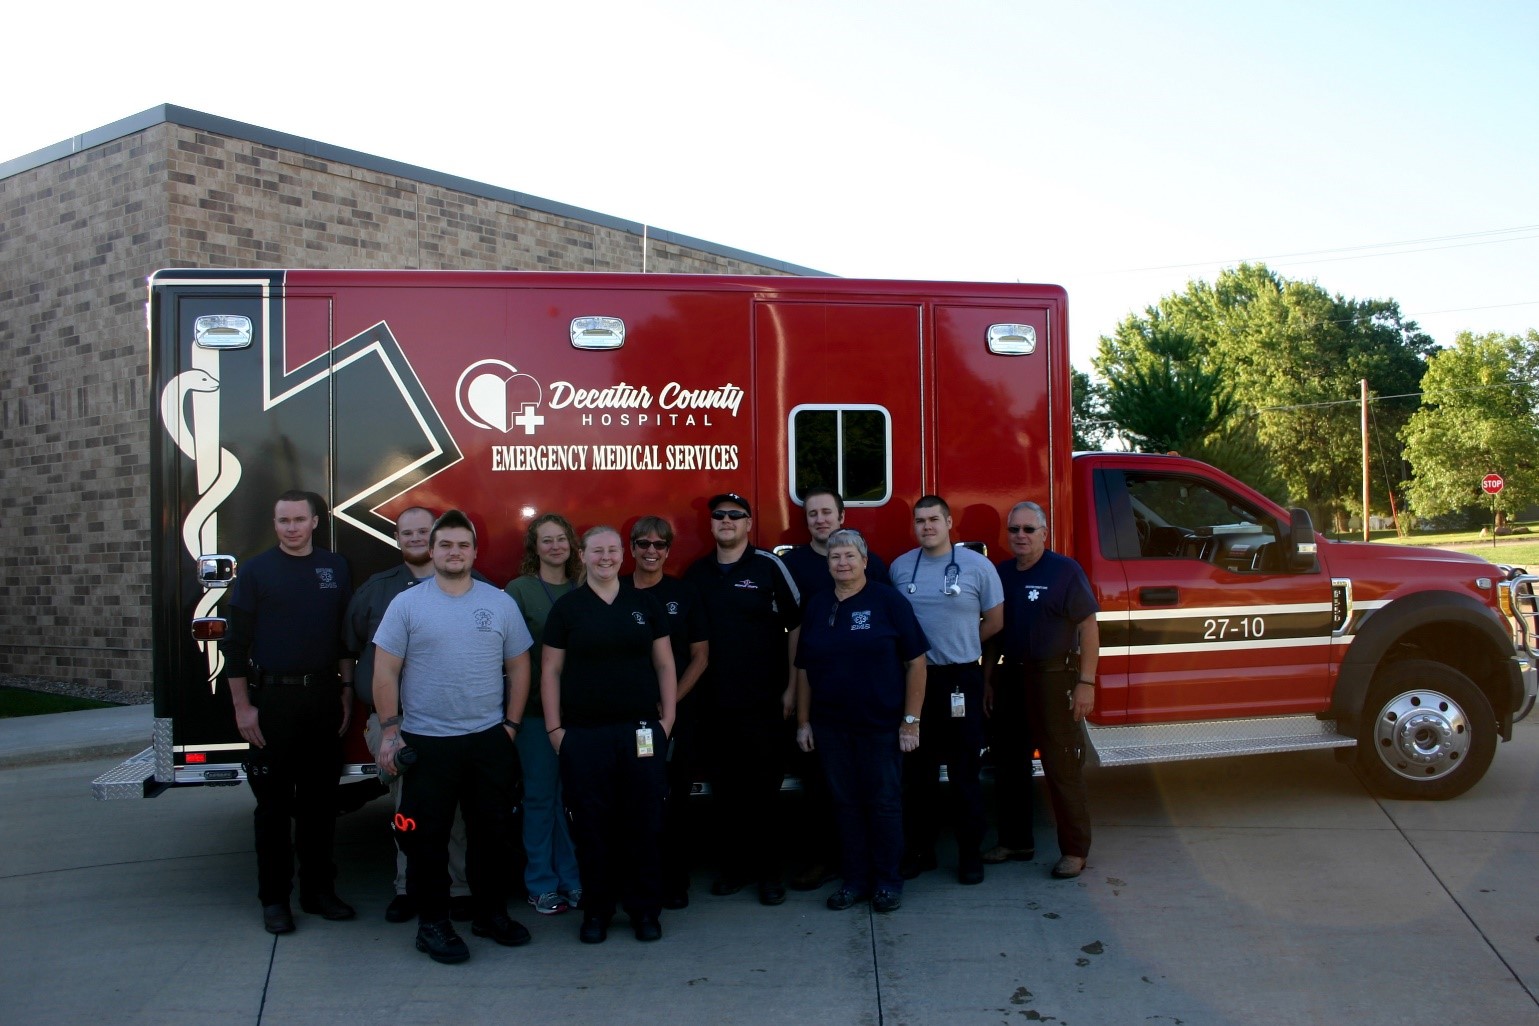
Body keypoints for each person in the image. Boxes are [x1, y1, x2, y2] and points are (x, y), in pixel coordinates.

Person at [371, 510, 535, 964]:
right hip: (426, 742)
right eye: (445, 545)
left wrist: (512, 724)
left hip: (488, 740)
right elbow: (386, 669)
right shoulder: (407, 604)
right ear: (432, 550)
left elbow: (521, 663)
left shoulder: (499, 602)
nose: (454, 552)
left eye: (463, 545)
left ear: (475, 552)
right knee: (427, 841)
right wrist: (390, 731)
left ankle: (489, 914)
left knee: (492, 835)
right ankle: (433, 925)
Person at [224, 489, 357, 935]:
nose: (292, 528)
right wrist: (244, 709)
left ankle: (319, 892)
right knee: (273, 809)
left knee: (320, 805)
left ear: (315, 521)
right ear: (275, 524)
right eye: (284, 521)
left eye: (300, 519)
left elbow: (342, 639)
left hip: (322, 698)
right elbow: (235, 646)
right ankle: (275, 900)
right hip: (273, 703)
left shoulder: (335, 568)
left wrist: (345, 689)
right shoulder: (257, 571)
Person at [542, 526, 678, 943]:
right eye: (597, 550)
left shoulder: (644, 603)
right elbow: (550, 671)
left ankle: (644, 912)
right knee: (592, 827)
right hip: (583, 736)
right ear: (582, 556)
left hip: (640, 732)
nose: (606, 557)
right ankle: (597, 913)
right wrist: (555, 731)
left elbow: (665, 666)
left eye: (613, 550)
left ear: (624, 556)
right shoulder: (568, 609)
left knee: (644, 824)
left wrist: (666, 722)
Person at [346, 506, 474, 924]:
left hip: (453, 720)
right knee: (408, 805)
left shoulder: (477, 586)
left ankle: (457, 888)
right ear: (397, 539)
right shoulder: (377, 591)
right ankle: (408, 888)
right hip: (395, 721)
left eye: (424, 531)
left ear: (437, 537)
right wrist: (378, 721)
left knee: (452, 808)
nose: (416, 538)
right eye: (407, 533)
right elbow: (352, 648)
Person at [795, 529, 928, 914]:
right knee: (845, 804)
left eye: (850, 556)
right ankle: (854, 881)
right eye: (835, 557)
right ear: (828, 564)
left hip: (880, 726)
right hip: (832, 727)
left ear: (865, 561)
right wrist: (804, 721)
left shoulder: (889, 602)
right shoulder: (819, 606)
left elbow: (916, 662)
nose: (842, 563)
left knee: (883, 803)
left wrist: (910, 721)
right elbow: (803, 667)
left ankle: (887, 882)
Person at [682, 492, 802, 906]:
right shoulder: (696, 574)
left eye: (736, 515)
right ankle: (734, 869)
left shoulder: (769, 567)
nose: (727, 521)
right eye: (719, 515)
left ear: (749, 523)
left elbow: (797, 627)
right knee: (726, 793)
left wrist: (791, 688)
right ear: (711, 524)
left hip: (764, 702)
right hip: (712, 704)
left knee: (764, 793)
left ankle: (770, 875)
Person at [777, 486, 891, 892]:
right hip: (818, 694)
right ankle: (822, 860)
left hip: (867, 698)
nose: (820, 519)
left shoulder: (870, 564)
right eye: (813, 514)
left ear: (842, 517)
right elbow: (793, 632)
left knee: (876, 789)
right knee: (819, 784)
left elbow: (889, 630)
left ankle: (879, 866)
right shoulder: (791, 565)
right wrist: (794, 691)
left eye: (827, 512)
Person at [984, 500, 1100, 880]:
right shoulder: (1000, 573)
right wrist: (987, 680)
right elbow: (995, 635)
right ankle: (1016, 842)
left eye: (1028, 530)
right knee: (1009, 765)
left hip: (1053, 679)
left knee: (1060, 766)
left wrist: (1086, 682)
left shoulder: (1065, 571)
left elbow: (1088, 628)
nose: (1020, 536)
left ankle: (1075, 850)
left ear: (1044, 534)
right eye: (1014, 529)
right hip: (1011, 679)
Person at [894, 494, 1003, 885]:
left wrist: (963, 640)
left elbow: (994, 620)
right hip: (916, 682)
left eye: (934, 520)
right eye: (920, 521)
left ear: (949, 522)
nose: (927, 527)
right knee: (917, 775)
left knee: (964, 775)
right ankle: (920, 852)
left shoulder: (978, 567)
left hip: (961, 680)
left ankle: (969, 855)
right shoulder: (901, 568)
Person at [623, 515, 709, 910]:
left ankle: (675, 881)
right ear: (632, 548)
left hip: (675, 719)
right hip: (628, 719)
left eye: (659, 545)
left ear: (668, 551)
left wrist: (669, 706)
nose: (651, 551)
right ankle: (637, 881)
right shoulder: (614, 590)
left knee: (674, 799)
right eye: (643, 544)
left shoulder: (685, 593)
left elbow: (700, 657)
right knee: (635, 800)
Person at [504, 513, 584, 916]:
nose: (555, 546)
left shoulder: (583, 586)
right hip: (535, 712)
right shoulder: (519, 590)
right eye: (546, 540)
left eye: (561, 539)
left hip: (583, 714)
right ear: (535, 549)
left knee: (572, 799)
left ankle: (572, 879)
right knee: (540, 798)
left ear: (571, 544)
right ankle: (541, 883)